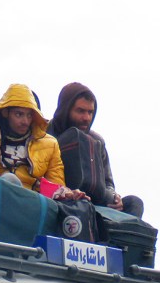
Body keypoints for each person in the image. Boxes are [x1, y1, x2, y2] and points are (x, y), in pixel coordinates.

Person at [47, 82, 143, 218]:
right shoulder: (46, 135)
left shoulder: (97, 141)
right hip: (65, 201)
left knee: (134, 203)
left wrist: (114, 197)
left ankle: (119, 237)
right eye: (80, 111)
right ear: (66, 110)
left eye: (90, 112)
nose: (86, 118)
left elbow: (108, 182)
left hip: (97, 203)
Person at [0, 83, 68, 192]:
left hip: (30, 202)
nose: (25, 121)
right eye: (19, 114)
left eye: (29, 115)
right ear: (5, 112)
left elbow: (56, 189)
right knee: (9, 179)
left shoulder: (50, 144)